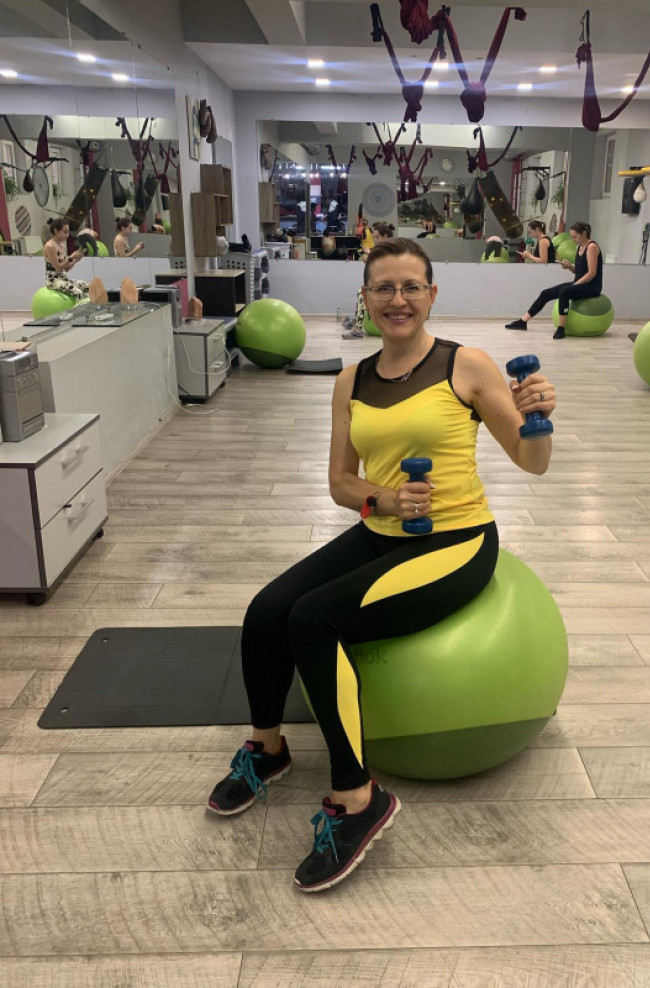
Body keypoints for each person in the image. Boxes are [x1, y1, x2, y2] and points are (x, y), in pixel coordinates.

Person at [206, 238, 556, 893]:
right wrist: (385, 499)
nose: (398, 300)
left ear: (431, 295)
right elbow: (342, 483)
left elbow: (532, 463)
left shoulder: (467, 366)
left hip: (455, 542)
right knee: (267, 609)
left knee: (314, 619)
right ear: (365, 298)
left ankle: (357, 798)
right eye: (384, 288)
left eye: (411, 287)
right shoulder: (352, 380)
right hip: (382, 532)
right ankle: (268, 749)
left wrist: (537, 420)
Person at [505, 222, 602, 339]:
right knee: (546, 293)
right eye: (572, 237)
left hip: (592, 286)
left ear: (584, 234)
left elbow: (591, 273)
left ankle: (561, 329)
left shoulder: (591, 247)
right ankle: (523, 321)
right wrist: (569, 267)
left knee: (565, 292)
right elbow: (579, 272)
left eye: (575, 237)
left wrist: (575, 285)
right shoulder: (579, 247)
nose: (573, 240)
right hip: (580, 283)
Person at [342, 222, 395, 338]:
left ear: (385, 236)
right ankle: (356, 321)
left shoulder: (391, 249)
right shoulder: (383, 249)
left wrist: (369, 255)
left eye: (377, 237)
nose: (375, 240)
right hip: (384, 284)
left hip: (391, 287)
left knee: (363, 294)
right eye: (374, 237)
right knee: (361, 292)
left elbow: (383, 265)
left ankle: (357, 329)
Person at [42, 218, 89, 300]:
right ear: (56, 231)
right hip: (54, 281)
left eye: (68, 232)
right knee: (78, 293)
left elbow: (66, 268)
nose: (67, 235)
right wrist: (71, 257)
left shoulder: (62, 245)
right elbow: (58, 268)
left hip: (64, 279)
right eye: (65, 232)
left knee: (89, 286)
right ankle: (80, 308)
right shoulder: (50, 246)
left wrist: (76, 260)